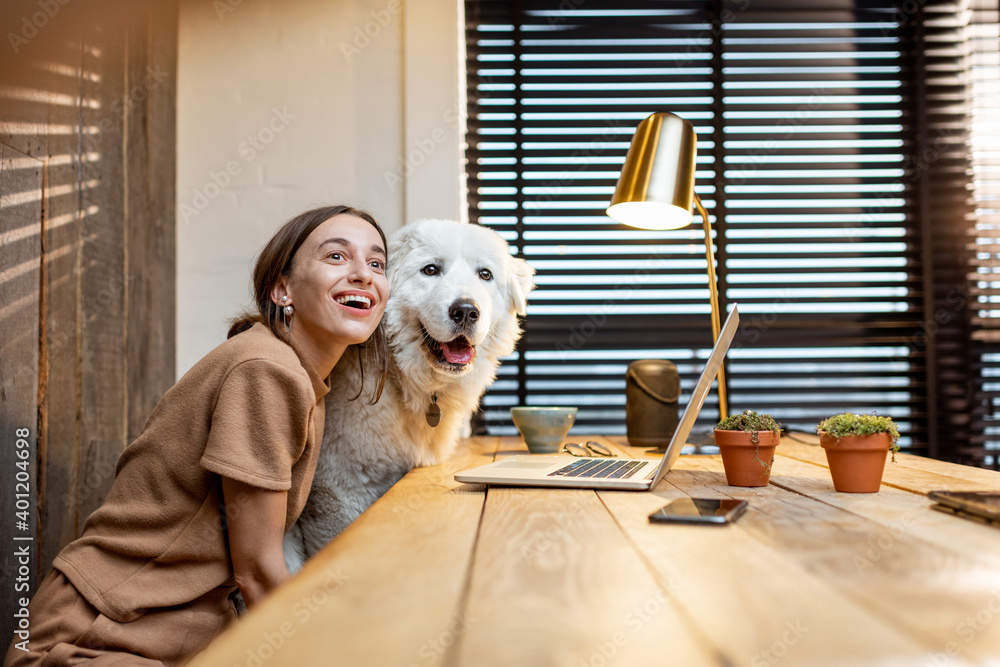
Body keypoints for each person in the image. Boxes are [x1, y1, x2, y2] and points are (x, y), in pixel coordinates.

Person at [4, 205, 390, 667]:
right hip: (93, 637)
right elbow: (259, 572)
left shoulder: (299, 375)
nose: (363, 275)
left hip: (172, 637)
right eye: (336, 257)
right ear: (281, 289)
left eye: (376, 263)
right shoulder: (267, 370)